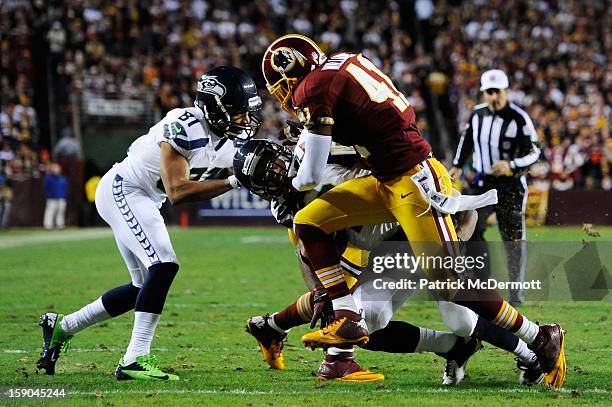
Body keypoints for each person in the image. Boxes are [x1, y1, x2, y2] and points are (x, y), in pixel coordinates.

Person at [261, 34, 566, 388]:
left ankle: (539, 336)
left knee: (452, 291)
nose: (289, 104)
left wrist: (291, 181)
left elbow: (310, 174)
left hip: (414, 183)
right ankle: (346, 319)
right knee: (308, 221)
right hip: (389, 182)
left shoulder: (314, 90)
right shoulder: (341, 69)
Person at [237, 139, 542, 385]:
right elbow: (307, 254)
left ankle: (533, 350)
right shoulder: (291, 211)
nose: (278, 173)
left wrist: (456, 237)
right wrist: (322, 292)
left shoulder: (330, 154)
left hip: (425, 228)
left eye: (274, 163)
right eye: (267, 174)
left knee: (459, 317)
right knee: (359, 320)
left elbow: (457, 203)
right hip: (391, 250)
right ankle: (458, 347)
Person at [37, 66, 262, 380]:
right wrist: (235, 182)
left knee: (140, 289)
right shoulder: (185, 126)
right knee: (164, 266)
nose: (245, 120)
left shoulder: (225, 139)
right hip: (124, 189)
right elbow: (177, 191)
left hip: (144, 197)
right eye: (238, 112)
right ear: (215, 108)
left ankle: (62, 326)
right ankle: (134, 359)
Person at [449, 69, 541, 307]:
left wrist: (511, 165)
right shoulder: (476, 114)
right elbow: (466, 140)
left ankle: (516, 293)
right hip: (482, 182)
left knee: (512, 240)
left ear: (506, 92)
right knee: (471, 227)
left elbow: (535, 152)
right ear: (483, 94)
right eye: (488, 92)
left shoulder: (519, 118)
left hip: (510, 186)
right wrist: (458, 165)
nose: (493, 97)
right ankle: (483, 282)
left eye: (497, 91)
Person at [43, 163, 68, 229]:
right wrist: (49, 195)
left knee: (60, 212)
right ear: (52, 169)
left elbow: (65, 188)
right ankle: (48, 225)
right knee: (50, 211)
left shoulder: (62, 178)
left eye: (57, 168)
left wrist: (64, 196)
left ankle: (60, 225)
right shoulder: (48, 178)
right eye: (55, 168)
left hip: (61, 198)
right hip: (51, 198)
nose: (56, 169)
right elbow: (46, 188)